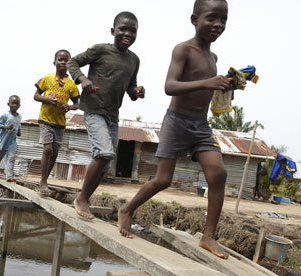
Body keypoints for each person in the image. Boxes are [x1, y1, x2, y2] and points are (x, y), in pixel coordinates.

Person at [117, 0, 230, 259]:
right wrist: (208, 82)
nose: (218, 25)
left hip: (201, 126)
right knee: (163, 179)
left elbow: (205, 87)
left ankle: (208, 236)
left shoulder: (213, 58)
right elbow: (170, 86)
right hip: (177, 121)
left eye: (223, 20)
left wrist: (222, 86)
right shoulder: (183, 50)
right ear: (194, 20)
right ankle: (127, 209)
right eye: (212, 18)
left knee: (218, 173)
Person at [67, 12, 145, 217]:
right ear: (113, 31)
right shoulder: (100, 50)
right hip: (94, 110)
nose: (127, 34)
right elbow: (72, 62)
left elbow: (131, 88)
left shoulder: (134, 60)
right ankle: (82, 198)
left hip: (112, 115)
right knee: (104, 152)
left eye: (132, 31)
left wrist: (136, 92)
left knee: (106, 163)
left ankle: (84, 199)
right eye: (123, 29)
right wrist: (82, 80)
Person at [33, 49, 79, 195]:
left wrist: (70, 106)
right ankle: (44, 181)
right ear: (54, 62)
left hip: (59, 123)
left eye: (66, 60)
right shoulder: (46, 79)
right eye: (60, 59)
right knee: (47, 150)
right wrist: (46, 99)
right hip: (45, 119)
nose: (63, 62)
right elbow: (35, 96)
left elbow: (78, 104)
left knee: (55, 152)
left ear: (70, 64)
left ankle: (43, 181)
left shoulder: (71, 85)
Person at [0, 95, 22, 182]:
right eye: (13, 103)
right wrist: (6, 127)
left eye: (17, 104)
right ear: (8, 104)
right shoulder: (5, 115)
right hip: (3, 140)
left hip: (12, 141)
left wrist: (19, 131)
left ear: (19, 105)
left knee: (11, 157)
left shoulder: (19, 117)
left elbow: (19, 126)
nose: (15, 105)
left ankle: (9, 176)